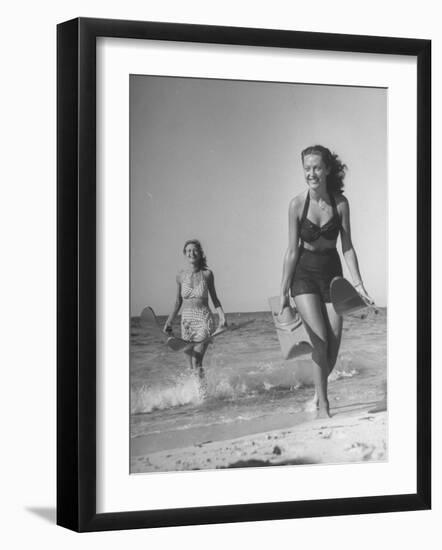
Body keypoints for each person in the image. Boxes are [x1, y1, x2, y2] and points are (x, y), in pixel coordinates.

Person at [279, 145, 373, 418]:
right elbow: (292, 249)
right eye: (307, 168)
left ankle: (316, 395)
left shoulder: (340, 203)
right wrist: (283, 290)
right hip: (304, 275)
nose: (311, 173)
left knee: (331, 352)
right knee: (319, 343)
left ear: (327, 169)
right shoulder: (297, 204)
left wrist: (358, 284)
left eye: (317, 167)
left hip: (333, 277)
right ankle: (324, 405)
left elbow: (347, 247)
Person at [164, 239, 227, 380]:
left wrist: (222, 317)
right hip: (187, 322)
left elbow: (215, 298)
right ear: (185, 254)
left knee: (197, 361)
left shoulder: (207, 275)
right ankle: (197, 395)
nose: (191, 253)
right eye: (188, 251)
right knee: (191, 366)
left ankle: (203, 398)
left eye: (194, 250)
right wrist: (169, 322)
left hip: (203, 320)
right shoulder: (180, 276)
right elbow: (177, 302)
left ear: (200, 253)